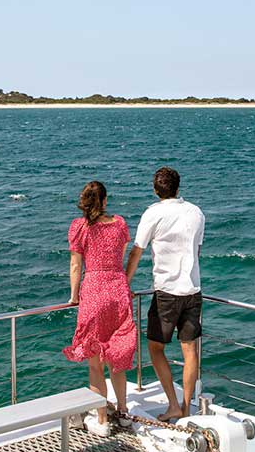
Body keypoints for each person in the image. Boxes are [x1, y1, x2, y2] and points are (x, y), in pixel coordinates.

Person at [125, 167, 205, 421]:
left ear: (155, 189)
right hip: (193, 289)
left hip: (167, 293)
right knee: (190, 350)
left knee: (155, 348)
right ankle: (185, 406)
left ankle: (172, 404)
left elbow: (137, 250)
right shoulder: (196, 212)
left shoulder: (153, 213)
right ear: (178, 187)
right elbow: (197, 251)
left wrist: (124, 282)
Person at [63, 181, 136, 436]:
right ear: (104, 201)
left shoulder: (79, 227)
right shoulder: (120, 224)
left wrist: (74, 296)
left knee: (96, 364)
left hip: (93, 291)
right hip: (118, 291)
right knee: (116, 359)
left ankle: (103, 420)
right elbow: (122, 255)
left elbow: (75, 265)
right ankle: (124, 414)